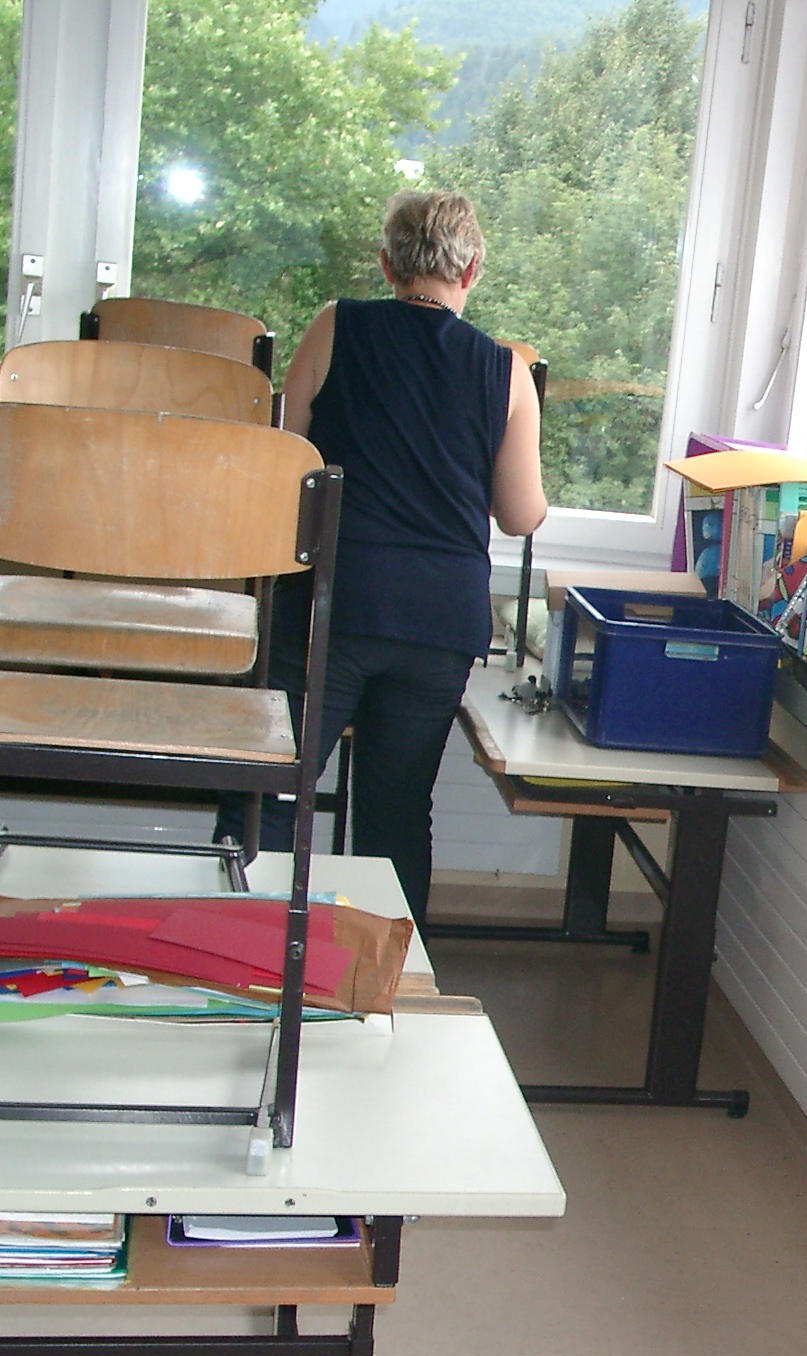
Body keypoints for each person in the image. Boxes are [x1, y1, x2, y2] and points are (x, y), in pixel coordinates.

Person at [218, 189, 549, 923]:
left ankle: (235, 949)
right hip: (439, 621)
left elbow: (283, 463)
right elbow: (521, 514)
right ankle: (387, 968)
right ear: (472, 271)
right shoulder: (506, 371)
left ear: (387, 265)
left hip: (335, 603)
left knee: (270, 790)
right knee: (396, 810)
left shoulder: (338, 326)